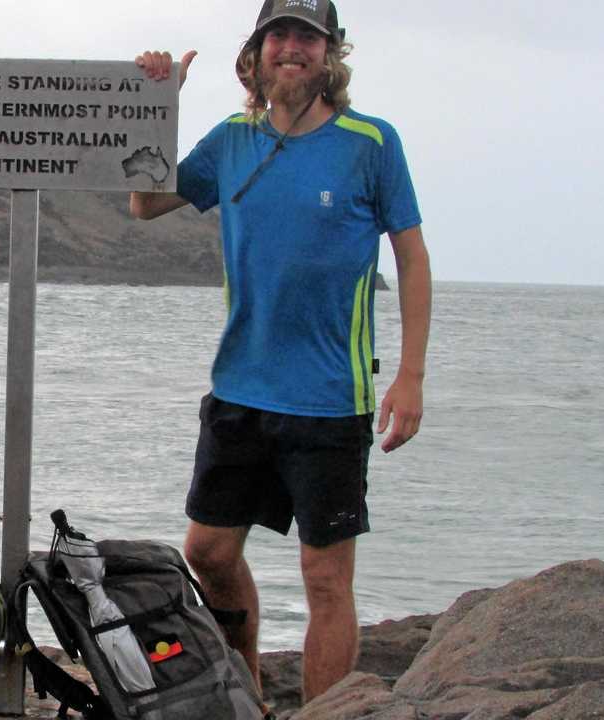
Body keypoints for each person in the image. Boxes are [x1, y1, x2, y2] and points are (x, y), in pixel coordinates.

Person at [131, 0, 432, 709]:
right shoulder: (233, 137)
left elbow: (412, 259)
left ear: (330, 55)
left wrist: (411, 375)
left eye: (307, 37)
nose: (291, 49)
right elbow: (145, 206)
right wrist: (154, 105)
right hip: (240, 388)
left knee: (325, 578)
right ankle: (249, 695)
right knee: (208, 553)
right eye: (279, 36)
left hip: (332, 400)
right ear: (257, 51)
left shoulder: (371, 142)